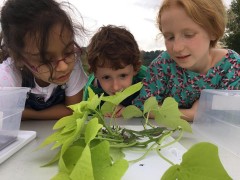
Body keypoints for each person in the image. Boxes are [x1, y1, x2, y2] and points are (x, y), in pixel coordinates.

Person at [133, 0, 240, 121]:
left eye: (189, 35)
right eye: (170, 37)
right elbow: (142, 107)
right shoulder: (163, 64)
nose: (176, 47)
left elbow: (230, 115)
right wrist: (191, 114)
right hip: (164, 137)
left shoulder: (231, 65)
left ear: (213, 31)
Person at [0, 0, 88, 120]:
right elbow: (4, 116)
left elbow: (74, 110)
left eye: (68, 52)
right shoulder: (8, 77)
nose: (64, 67)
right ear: (19, 58)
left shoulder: (73, 66)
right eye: (46, 60)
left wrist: (25, 114)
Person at [83, 25, 146, 116]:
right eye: (106, 77)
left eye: (123, 75)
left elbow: (160, 109)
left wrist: (132, 111)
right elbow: (87, 118)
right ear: (95, 73)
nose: (115, 87)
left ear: (136, 69)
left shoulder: (147, 78)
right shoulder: (92, 91)